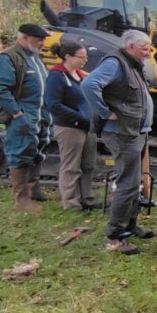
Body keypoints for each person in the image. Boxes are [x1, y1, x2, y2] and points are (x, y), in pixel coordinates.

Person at [82, 31, 156, 255]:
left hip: (135, 132)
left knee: (135, 184)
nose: (148, 52)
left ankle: (130, 227)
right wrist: (105, 112)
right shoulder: (115, 63)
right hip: (123, 133)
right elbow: (89, 85)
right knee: (128, 184)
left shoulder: (132, 64)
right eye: (144, 47)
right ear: (131, 46)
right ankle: (115, 236)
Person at [0, 24, 51, 212]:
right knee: (20, 153)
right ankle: (22, 200)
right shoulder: (9, 58)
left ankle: (33, 190)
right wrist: (16, 113)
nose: (42, 42)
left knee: (37, 151)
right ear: (24, 38)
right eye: (39, 39)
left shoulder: (35, 58)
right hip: (22, 115)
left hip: (39, 114)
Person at [45, 41, 100, 212]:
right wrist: (78, 118)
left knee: (88, 165)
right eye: (81, 57)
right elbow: (53, 104)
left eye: (86, 57)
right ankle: (71, 203)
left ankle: (87, 198)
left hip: (87, 127)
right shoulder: (56, 76)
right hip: (70, 128)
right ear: (68, 57)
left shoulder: (80, 75)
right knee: (71, 166)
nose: (85, 60)